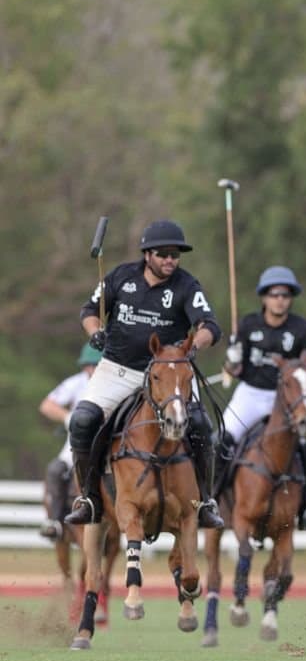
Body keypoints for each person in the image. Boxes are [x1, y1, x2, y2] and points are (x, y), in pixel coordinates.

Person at [63, 219, 225, 529]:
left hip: (169, 374)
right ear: (147, 254)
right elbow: (89, 311)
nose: (170, 261)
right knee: (82, 420)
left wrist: (193, 348)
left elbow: (209, 326)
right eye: (163, 254)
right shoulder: (121, 277)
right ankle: (89, 498)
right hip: (117, 369)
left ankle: (204, 501)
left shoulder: (186, 286)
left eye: (175, 255)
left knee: (202, 426)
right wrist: (95, 332)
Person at [218, 265, 306, 530]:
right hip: (251, 394)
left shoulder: (300, 328)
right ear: (264, 297)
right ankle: (211, 500)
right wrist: (231, 362)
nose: (280, 299)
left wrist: (299, 368)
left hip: (288, 401)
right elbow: (235, 367)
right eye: (274, 294)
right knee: (220, 439)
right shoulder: (248, 325)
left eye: (285, 295)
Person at [39, 344, 102, 541]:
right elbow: (47, 405)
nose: (92, 370)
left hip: (111, 443)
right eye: (89, 365)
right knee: (56, 470)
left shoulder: (118, 384)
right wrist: (67, 417)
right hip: (77, 443)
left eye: (97, 365)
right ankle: (56, 522)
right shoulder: (76, 383)